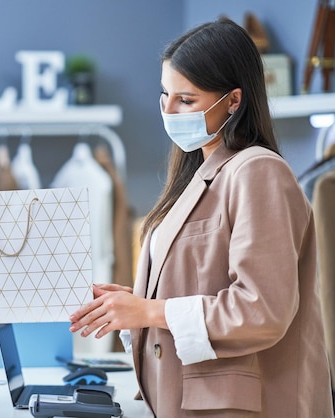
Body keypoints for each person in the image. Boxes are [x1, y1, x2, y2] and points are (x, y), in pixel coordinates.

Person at [69, 18, 333, 417]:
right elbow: (200, 283)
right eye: (165, 95)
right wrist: (132, 304)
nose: (168, 111)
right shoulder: (198, 177)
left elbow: (261, 310)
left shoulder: (258, 172)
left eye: (187, 101)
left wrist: (149, 311)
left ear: (233, 100)